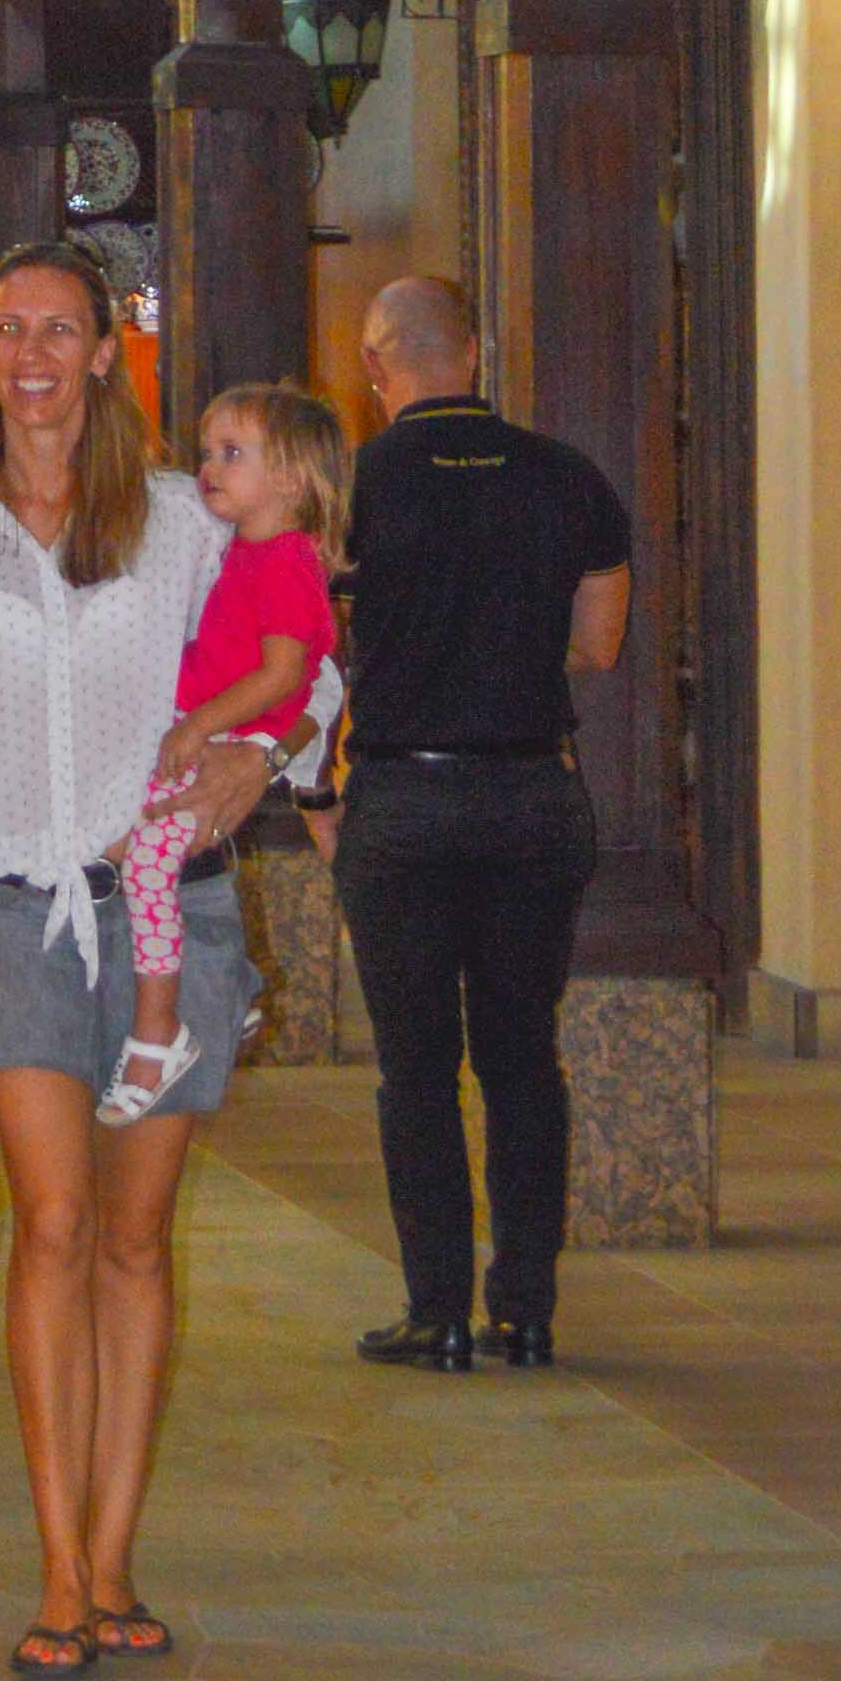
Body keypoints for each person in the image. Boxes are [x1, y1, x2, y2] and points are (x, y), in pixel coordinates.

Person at [0, 241, 274, 1681]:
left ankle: (119, 1550)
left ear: (105, 351)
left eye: (60, 329)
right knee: (59, 1219)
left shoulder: (177, 523)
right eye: (8, 328)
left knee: (139, 1238)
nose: (31, 353)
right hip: (15, 907)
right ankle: (57, 1564)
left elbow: (306, 659)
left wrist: (257, 766)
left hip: (174, 907)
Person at [332, 270, 632, 1374]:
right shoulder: (568, 480)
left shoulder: (357, 483)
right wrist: (504, 649)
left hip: (404, 794)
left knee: (415, 1065)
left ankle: (438, 1309)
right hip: (529, 795)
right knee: (520, 1056)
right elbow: (599, 644)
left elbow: (310, 632)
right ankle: (529, 1305)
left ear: (376, 365)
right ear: (476, 351)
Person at [105, 379, 347, 1126]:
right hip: (200, 719)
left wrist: (196, 726)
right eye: (207, 451)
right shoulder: (243, 548)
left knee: (147, 860)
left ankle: (159, 1030)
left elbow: (287, 673)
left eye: (232, 454)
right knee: (119, 840)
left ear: (291, 476)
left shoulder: (281, 561)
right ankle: (224, 987)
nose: (209, 467)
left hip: (224, 735)